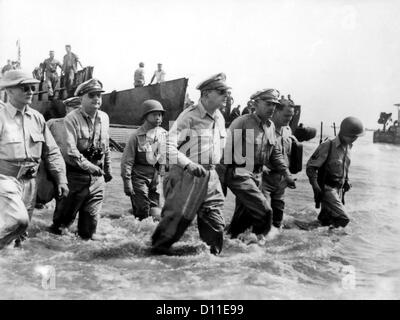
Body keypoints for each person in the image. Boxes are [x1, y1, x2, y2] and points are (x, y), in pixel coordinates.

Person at [152, 72, 230, 255]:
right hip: (187, 176)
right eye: (221, 92)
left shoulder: (219, 117)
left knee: (216, 224)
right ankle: (151, 261)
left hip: (210, 177)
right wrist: (188, 164)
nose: (225, 96)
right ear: (206, 94)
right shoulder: (189, 116)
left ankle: (210, 265)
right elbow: (166, 145)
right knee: (172, 228)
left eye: (226, 92)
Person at [0, 70, 69, 249]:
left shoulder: (37, 118)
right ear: (9, 91)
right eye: (24, 87)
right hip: (5, 179)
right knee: (18, 221)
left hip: (30, 182)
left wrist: (61, 178)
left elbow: (52, 152)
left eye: (32, 87)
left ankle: (11, 271)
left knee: (20, 235)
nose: (30, 91)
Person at [222, 89, 296, 240]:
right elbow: (226, 154)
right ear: (255, 103)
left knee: (243, 218)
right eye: (268, 104)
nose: (272, 108)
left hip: (257, 176)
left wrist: (287, 175)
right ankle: (259, 245)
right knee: (265, 210)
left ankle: (229, 244)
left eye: (274, 104)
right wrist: (221, 184)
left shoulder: (270, 126)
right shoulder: (241, 122)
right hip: (240, 174)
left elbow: (275, 154)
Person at [49, 79, 112, 239]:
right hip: (75, 178)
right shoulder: (72, 119)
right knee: (61, 228)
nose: (96, 99)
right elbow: (71, 151)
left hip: (97, 180)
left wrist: (107, 169)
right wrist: (90, 167)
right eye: (92, 95)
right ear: (81, 98)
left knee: (88, 231)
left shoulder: (104, 118)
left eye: (99, 95)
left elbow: (106, 146)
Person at [306, 116, 365, 228]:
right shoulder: (328, 145)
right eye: (352, 137)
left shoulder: (348, 147)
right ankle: (330, 241)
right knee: (343, 219)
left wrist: (346, 181)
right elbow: (311, 167)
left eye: (356, 137)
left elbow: (343, 167)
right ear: (344, 133)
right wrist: (315, 186)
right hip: (327, 188)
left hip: (338, 189)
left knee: (326, 221)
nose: (354, 139)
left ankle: (316, 240)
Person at [121, 99, 167, 220]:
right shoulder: (135, 136)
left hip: (156, 179)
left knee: (157, 213)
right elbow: (127, 161)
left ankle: (129, 216)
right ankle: (135, 231)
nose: (158, 118)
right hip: (139, 179)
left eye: (160, 115)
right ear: (146, 116)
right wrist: (127, 183)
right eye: (154, 114)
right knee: (142, 211)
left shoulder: (165, 135)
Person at [261, 98, 297, 229]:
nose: (289, 119)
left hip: (281, 181)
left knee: (277, 218)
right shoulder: (264, 129)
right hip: (265, 179)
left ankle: (273, 243)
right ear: (276, 111)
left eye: (291, 116)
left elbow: (288, 154)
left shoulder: (288, 130)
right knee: (264, 214)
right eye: (286, 115)